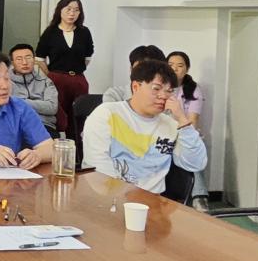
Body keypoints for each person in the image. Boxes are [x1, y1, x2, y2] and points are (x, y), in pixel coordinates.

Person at [82, 59, 207, 195]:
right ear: (136, 87)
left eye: (169, 91)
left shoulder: (171, 125)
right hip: (107, 196)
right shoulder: (107, 114)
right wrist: (123, 197)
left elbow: (196, 163)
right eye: (156, 89)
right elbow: (98, 165)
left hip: (152, 200)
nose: (163, 96)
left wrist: (182, 120)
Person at [36, 0, 94, 136]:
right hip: (57, 78)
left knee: (78, 117)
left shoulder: (84, 32)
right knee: (58, 116)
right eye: (68, 9)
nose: (72, 13)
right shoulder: (50, 32)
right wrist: (50, 74)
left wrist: (76, 69)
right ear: (60, 10)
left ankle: (76, 146)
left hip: (78, 79)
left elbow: (88, 57)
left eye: (76, 10)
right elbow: (39, 58)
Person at [167, 51, 208, 205]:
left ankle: (199, 197)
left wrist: (185, 135)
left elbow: (193, 120)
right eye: (170, 65)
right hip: (164, 133)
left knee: (194, 145)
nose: (174, 69)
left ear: (187, 69)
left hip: (183, 132)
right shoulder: (161, 87)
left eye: (180, 65)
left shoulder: (193, 89)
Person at [9, 43, 59, 133]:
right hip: (16, 125)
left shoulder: (45, 81)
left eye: (28, 57)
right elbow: (5, 106)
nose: (24, 62)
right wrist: (40, 105)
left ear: (34, 59)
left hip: (44, 125)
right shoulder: (5, 83)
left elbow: (52, 108)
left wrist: (20, 101)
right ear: (12, 63)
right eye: (19, 59)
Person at [102, 45, 167, 103]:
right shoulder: (114, 95)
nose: (144, 73)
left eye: (151, 70)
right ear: (131, 69)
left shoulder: (166, 97)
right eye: (140, 68)